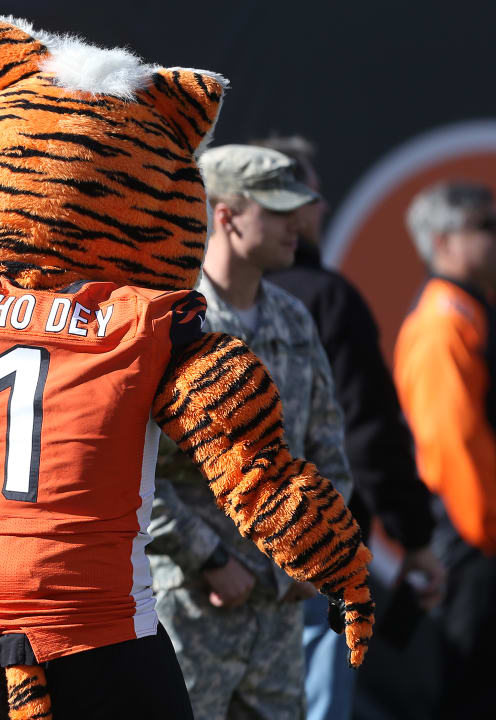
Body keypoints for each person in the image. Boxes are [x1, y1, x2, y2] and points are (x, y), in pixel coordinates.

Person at [147, 144, 353, 720]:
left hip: (279, 610)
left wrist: (315, 549)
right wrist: (208, 556)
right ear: (227, 216)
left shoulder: (293, 317)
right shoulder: (173, 323)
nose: (298, 225)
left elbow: (327, 451)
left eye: (298, 210)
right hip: (189, 606)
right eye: (278, 210)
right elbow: (131, 471)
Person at [255, 136, 444, 720]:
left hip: (222, 563)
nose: (320, 208)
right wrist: (413, 536)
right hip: (309, 556)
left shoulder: (193, 301)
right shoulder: (326, 299)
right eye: (304, 195)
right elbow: (368, 431)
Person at [394, 180, 496, 717]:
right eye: (487, 227)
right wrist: (488, 532)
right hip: (471, 549)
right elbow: (454, 445)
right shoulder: (444, 323)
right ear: (443, 242)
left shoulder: (470, 313)